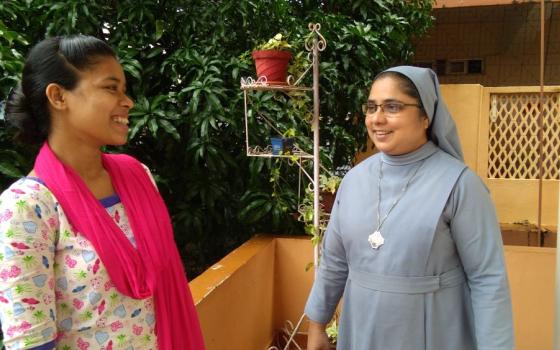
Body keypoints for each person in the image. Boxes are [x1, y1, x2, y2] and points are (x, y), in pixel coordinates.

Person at [0, 35, 205, 350]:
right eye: (111, 88)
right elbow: (32, 341)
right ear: (58, 96)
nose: (127, 102)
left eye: (124, 90)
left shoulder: (138, 177)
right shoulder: (28, 208)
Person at [305, 66, 514, 349]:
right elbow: (335, 262)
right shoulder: (354, 180)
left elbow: (487, 278)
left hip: (433, 334)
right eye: (371, 107)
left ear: (426, 115)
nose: (377, 119)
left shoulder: (461, 185)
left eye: (393, 107)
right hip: (361, 332)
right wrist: (317, 324)